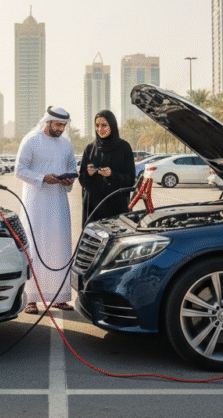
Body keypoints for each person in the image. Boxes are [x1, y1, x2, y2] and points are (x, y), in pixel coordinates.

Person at [15, 106, 78, 314]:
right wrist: (43, 178)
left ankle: (60, 297)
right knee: (35, 246)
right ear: (48, 122)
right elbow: (20, 170)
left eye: (64, 125)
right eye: (58, 124)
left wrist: (68, 180)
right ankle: (31, 298)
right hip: (36, 203)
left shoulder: (67, 144)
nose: (61, 128)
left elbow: (72, 168)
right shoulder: (31, 140)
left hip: (59, 203)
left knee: (59, 246)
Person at [78, 109, 136, 227]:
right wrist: (88, 174)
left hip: (116, 207)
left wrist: (112, 175)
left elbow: (130, 181)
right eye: (97, 125)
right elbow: (81, 179)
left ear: (112, 125)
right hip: (93, 208)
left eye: (104, 125)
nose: (100, 129)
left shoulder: (124, 147)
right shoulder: (90, 148)